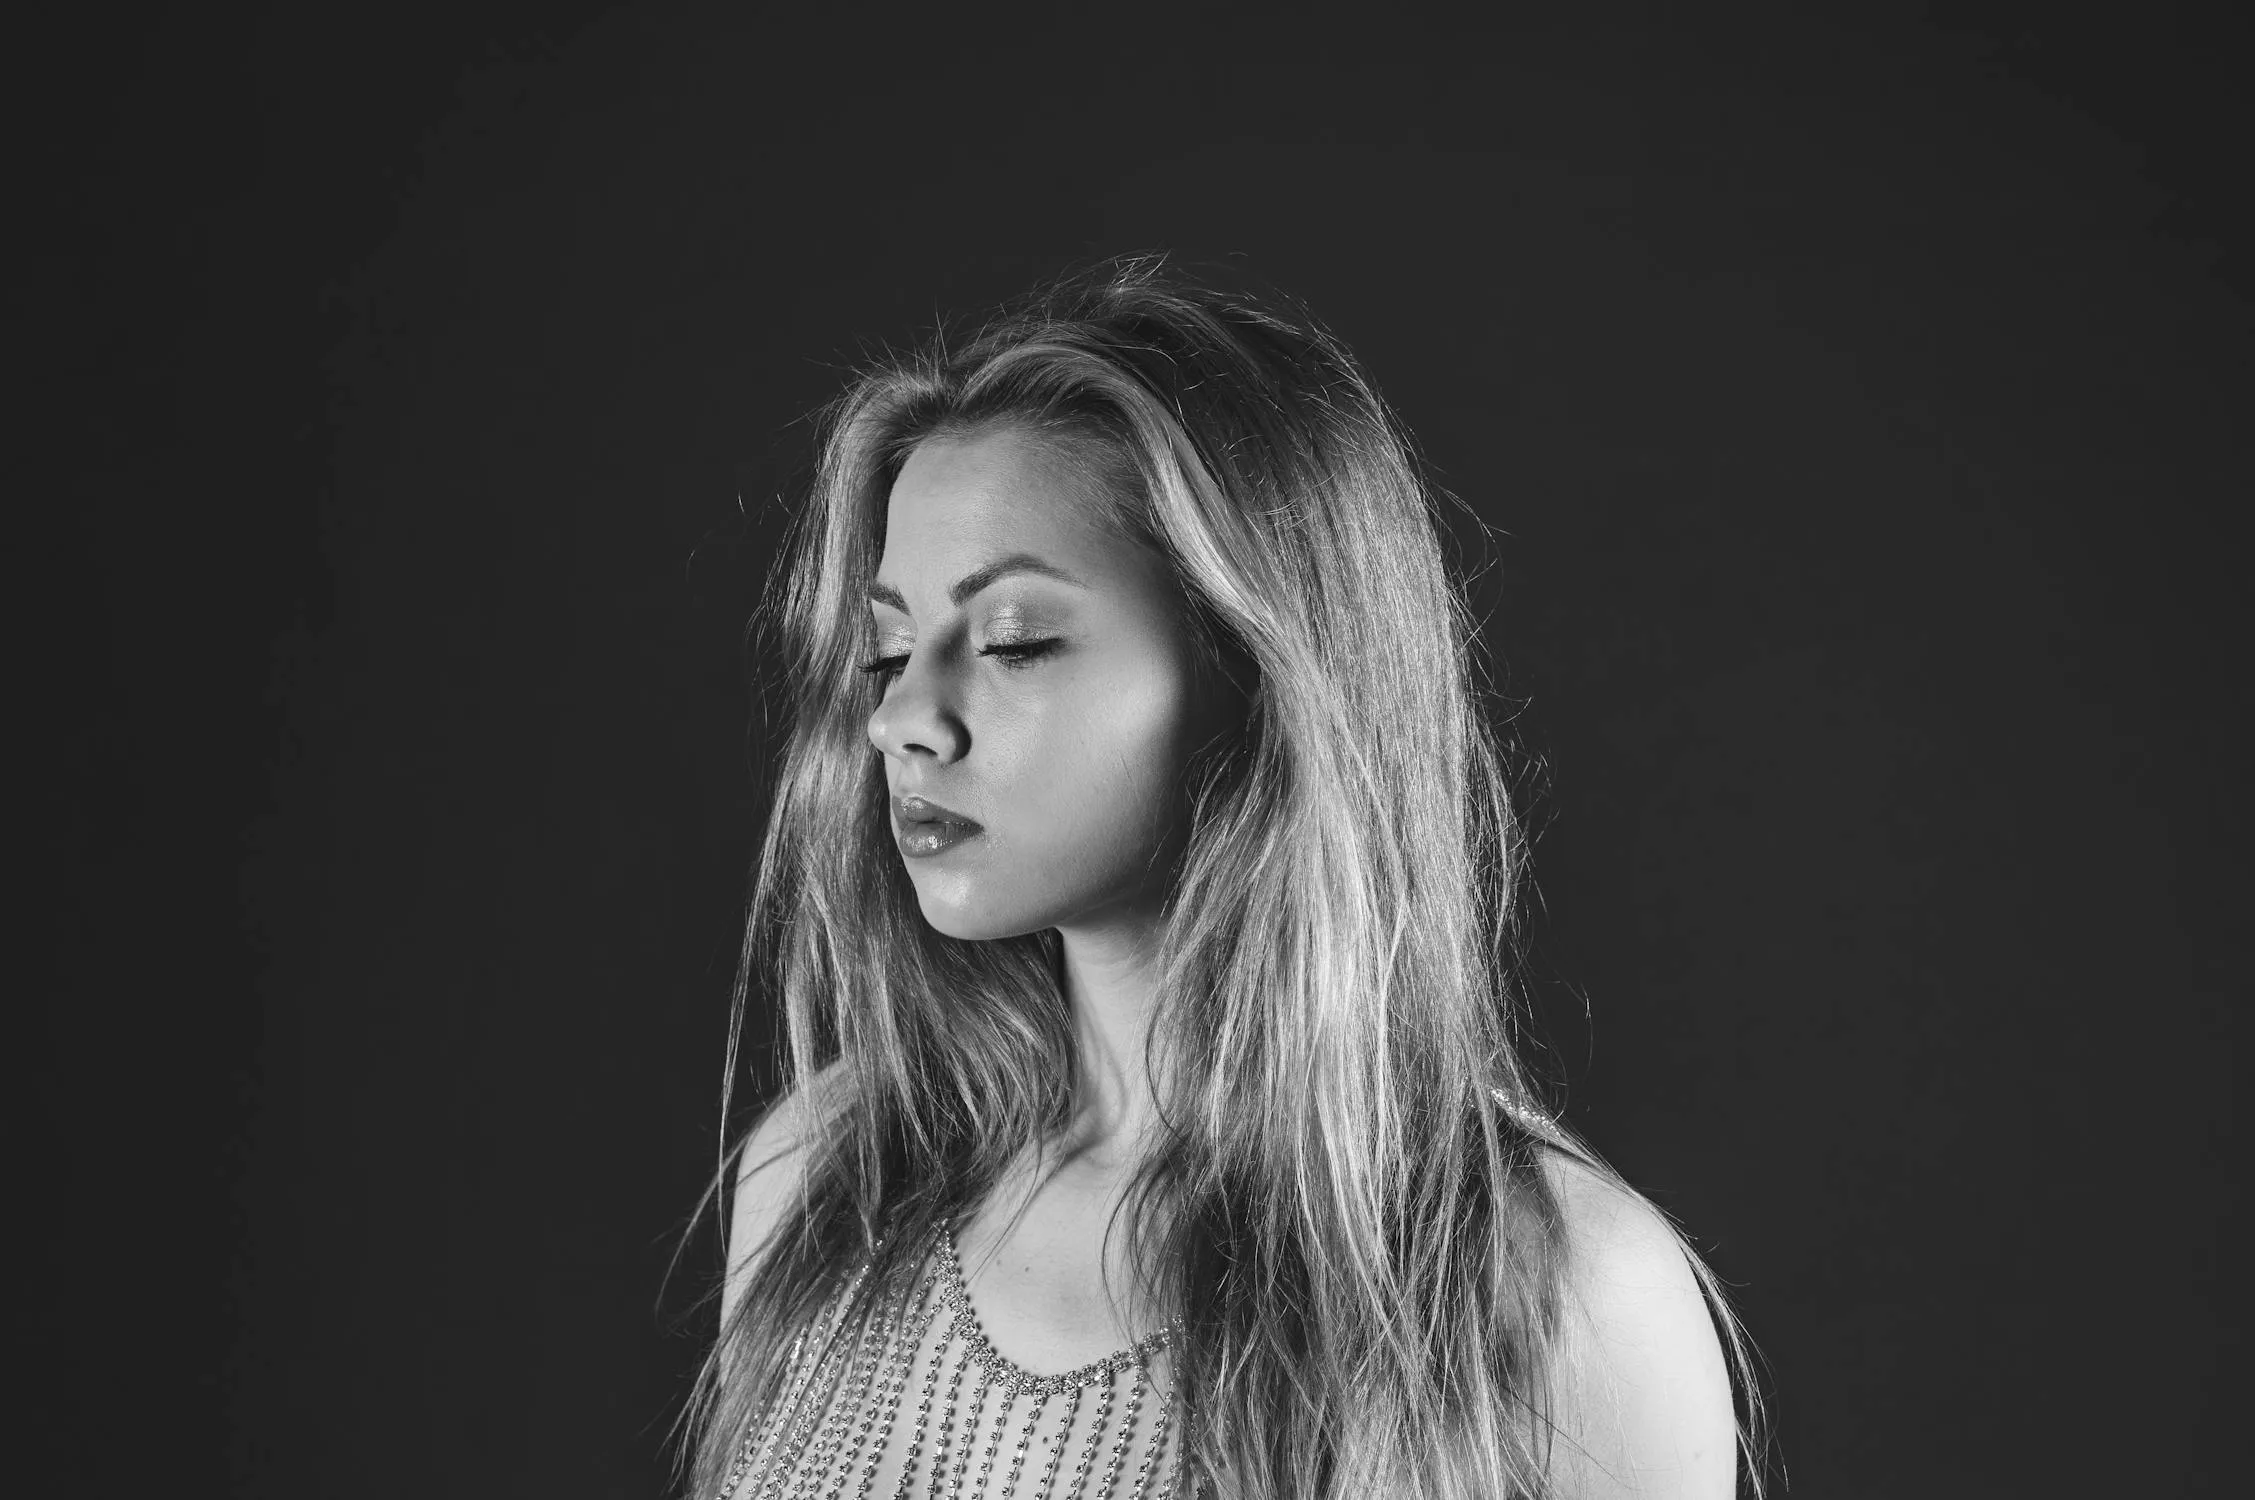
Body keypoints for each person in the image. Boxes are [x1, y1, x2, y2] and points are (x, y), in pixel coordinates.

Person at [681, 256, 1761, 1499]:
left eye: (1013, 642)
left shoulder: (1558, 1291)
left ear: (1256, 673)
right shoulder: (824, 1177)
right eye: (884, 650)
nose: (903, 719)